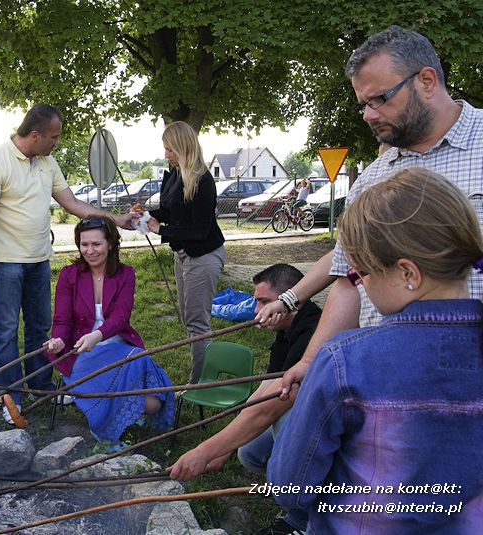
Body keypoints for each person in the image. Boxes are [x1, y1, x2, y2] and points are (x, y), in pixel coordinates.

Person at [254, 25, 483, 402]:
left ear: (426, 81)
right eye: (363, 104)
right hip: (390, 387)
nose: (367, 115)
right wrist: (312, 360)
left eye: (379, 99)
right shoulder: (372, 178)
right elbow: (348, 278)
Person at [269, 168, 483, 533]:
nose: (360, 284)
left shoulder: (343, 362)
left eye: (361, 273)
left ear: (407, 273)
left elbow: (289, 488)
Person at [0, 103, 136, 423]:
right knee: (7, 331)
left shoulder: (47, 163)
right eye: (53, 136)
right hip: (7, 263)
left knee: (40, 328)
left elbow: (74, 204)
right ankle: (9, 398)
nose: (56, 142)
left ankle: (41, 387)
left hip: (39, 261)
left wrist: (117, 219)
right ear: (34, 134)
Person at [167, 264, 321, 535]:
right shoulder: (286, 327)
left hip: (328, 420)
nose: (256, 310)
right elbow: (266, 387)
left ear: (292, 298)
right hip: (296, 404)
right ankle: (298, 499)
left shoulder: (314, 330)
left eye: (263, 301)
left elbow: (270, 407)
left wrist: (205, 451)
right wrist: (224, 450)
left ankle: (311, 516)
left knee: (283, 420)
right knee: (250, 453)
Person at [45, 218, 174, 444]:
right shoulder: (69, 275)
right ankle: (111, 418)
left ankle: (114, 407)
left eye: (96, 244)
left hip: (118, 347)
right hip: (81, 353)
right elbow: (61, 319)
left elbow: (121, 317)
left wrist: (97, 335)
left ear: (111, 244)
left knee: (154, 403)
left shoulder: (126, 274)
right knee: (143, 401)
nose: (89, 251)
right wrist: (58, 341)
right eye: (84, 244)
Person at [147, 121, 226, 383]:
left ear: (183, 147)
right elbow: (171, 213)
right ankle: (201, 375)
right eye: (165, 149)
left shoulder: (203, 181)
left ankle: (199, 385)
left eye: (170, 149)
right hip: (182, 254)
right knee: (187, 316)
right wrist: (146, 215)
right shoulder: (174, 174)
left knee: (197, 324)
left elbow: (199, 230)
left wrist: (161, 230)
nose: (166, 154)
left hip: (203, 255)